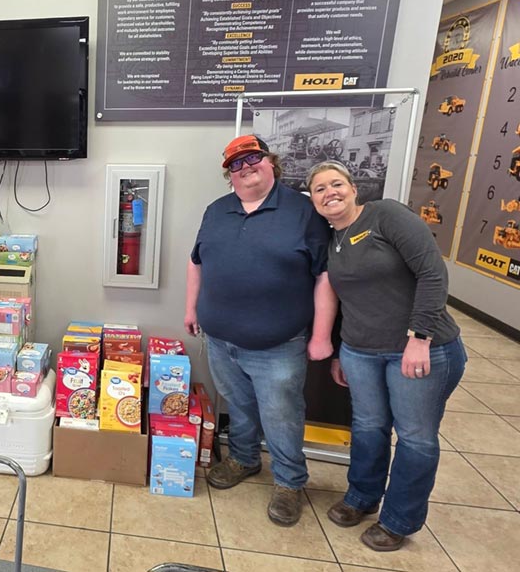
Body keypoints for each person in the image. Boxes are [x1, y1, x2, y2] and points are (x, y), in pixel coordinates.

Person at [306, 161, 466, 552]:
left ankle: (398, 520)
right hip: (361, 352)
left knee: (415, 438)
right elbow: (345, 300)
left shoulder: (388, 216)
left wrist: (420, 337)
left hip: (420, 351)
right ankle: (361, 497)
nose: (330, 193)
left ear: (354, 187)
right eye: (320, 189)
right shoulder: (332, 240)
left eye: (336, 184)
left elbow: (432, 274)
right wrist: (342, 350)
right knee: (368, 427)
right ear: (312, 201)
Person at [184, 134, 336, 526]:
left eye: (253, 158)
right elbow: (196, 262)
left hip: (279, 345)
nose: (246, 167)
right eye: (236, 164)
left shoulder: (303, 212)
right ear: (228, 175)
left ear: (271, 163)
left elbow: (324, 277)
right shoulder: (217, 210)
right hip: (220, 339)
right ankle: (244, 459)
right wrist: (191, 309)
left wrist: (321, 336)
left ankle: (289, 483)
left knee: (282, 415)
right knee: (239, 406)